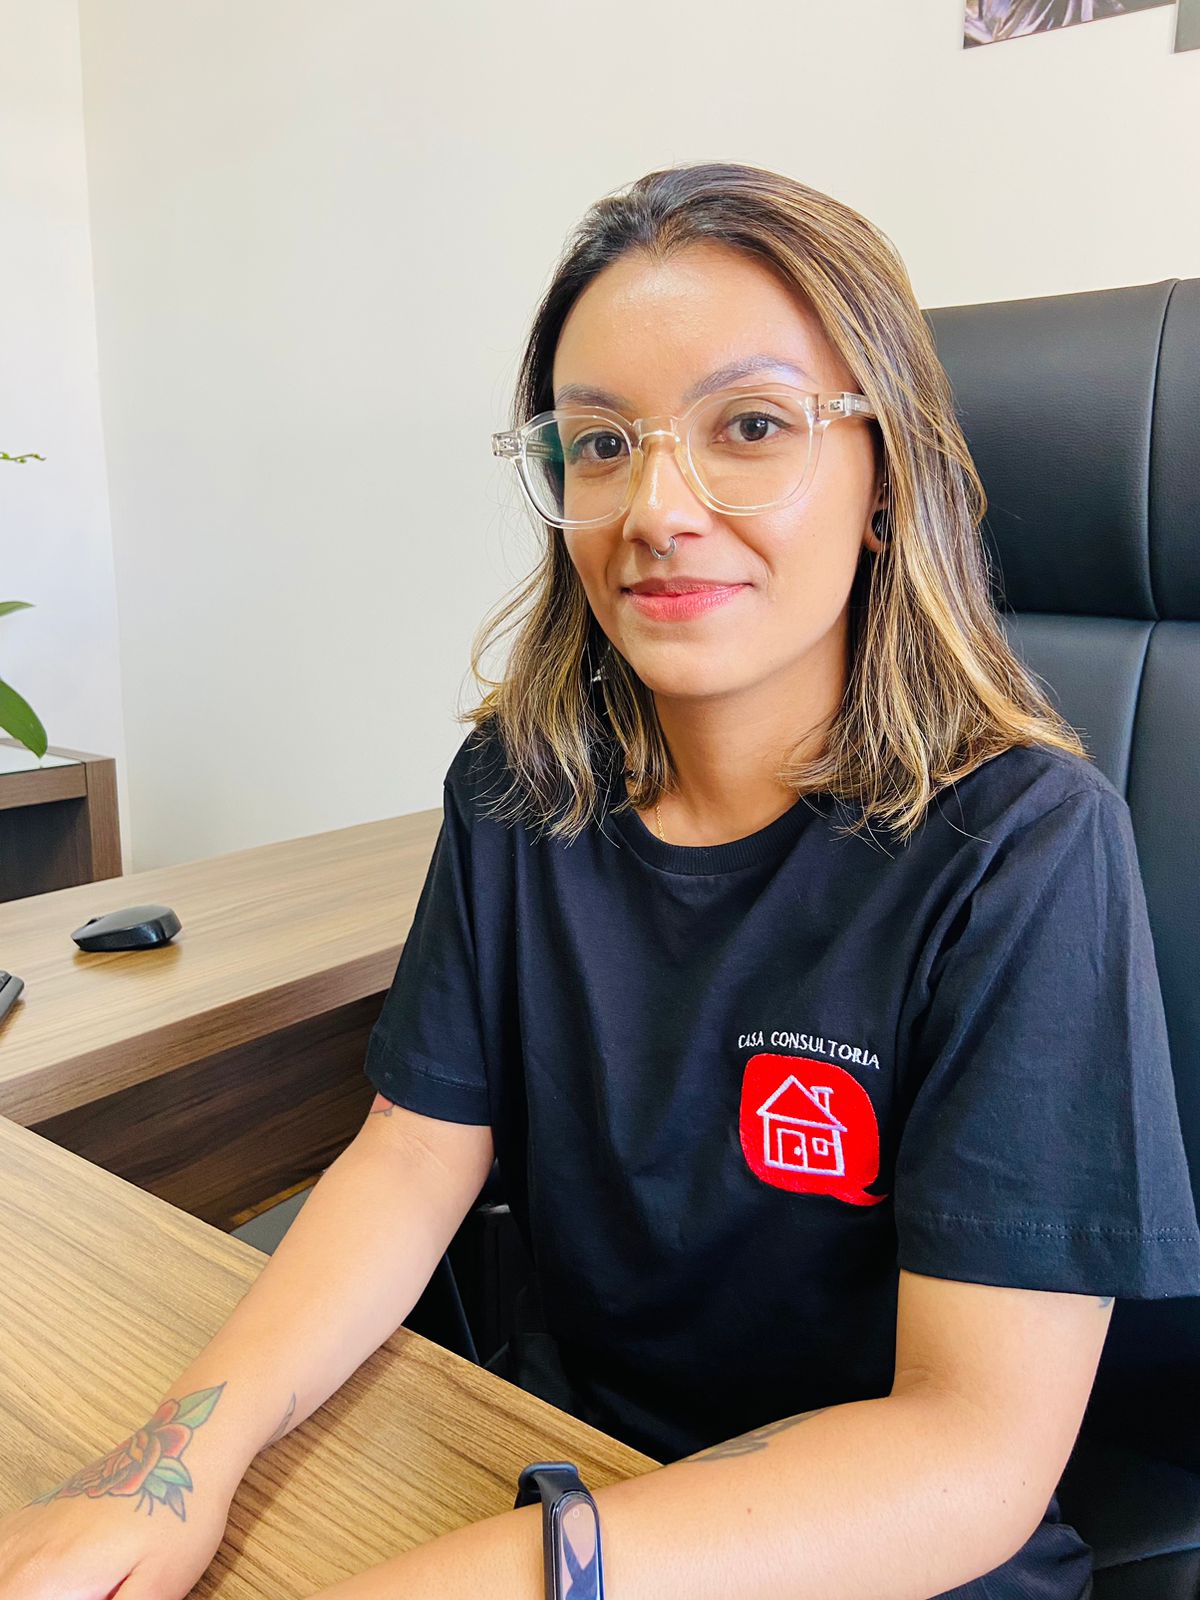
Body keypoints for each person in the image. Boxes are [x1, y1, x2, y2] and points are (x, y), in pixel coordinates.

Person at [3, 160, 1198, 1600]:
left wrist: (516, 1575)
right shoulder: (522, 784)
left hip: (884, 1549)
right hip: (551, 1455)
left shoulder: (1023, 844)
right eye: (599, 443)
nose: (658, 507)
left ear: (886, 475)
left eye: (751, 426)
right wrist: (175, 1464)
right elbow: (412, 1149)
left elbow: (972, 1453)